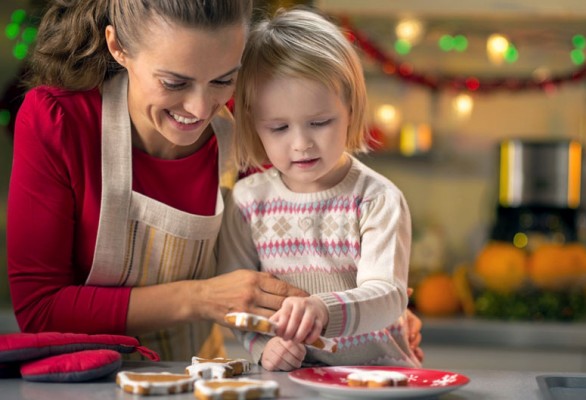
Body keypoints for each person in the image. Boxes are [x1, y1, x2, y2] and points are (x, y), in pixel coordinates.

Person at [7, 0, 424, 362]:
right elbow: (40, 309)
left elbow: (296, 249)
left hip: (202, 378)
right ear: (119, 47)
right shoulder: (58, 121)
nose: (201, 107)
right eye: (175, 82)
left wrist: (362, 310)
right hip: (83, 382)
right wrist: (201, 298)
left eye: (224, 79)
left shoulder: (251, 135)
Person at [218, 7, 422, 371]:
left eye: (320, 122)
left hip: (380, 379)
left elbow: (388, 297)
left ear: (351, 109)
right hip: (294, 380)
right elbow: (236, 302)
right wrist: (263, 348)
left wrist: (322, 310)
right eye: (279, 128)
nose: (301, 144)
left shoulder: (376, 199)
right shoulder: (246, 203)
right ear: (253, 122)